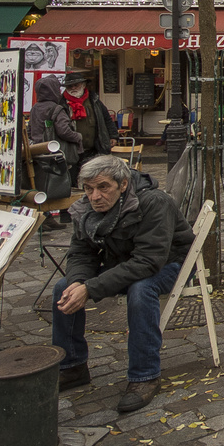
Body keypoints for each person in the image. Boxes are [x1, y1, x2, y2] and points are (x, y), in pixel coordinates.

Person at [52, 154, 194, 413]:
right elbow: (81, 253)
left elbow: (149, 262)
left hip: (169, 263)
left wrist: (91, 288)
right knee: (63, 287)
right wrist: (78, 282)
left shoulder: (153, 203)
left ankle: (145, 376)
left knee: (141, 290)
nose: (95, 196)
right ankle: (71, 366)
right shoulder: (87, 209)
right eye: (89, 188)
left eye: (103, 187)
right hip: (124, 261)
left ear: (123, 184)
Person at [61, 70, 118, 168]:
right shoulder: (61, 103)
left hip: (93, 149)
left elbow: (106, 118)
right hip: (71, 150)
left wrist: (113, 135)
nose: (73, 88)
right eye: (70, 86)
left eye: (76, 85)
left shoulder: (94, 100)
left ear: (83, 85)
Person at [28, 74, 83, 173]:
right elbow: (64, 131)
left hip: (38, 152)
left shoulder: (35, 108)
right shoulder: (56, 108)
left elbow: (29, 130)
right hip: (55, 153)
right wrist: (78, 136)